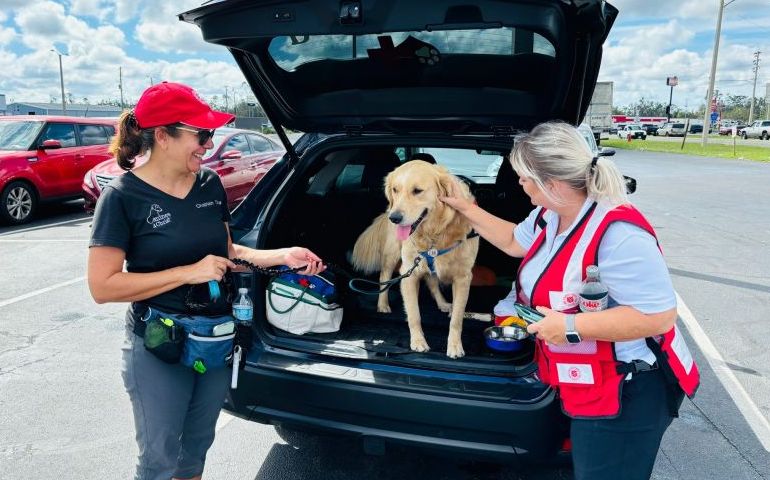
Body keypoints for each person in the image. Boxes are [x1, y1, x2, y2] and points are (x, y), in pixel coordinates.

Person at [87, 81, 325, 480]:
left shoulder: (209, 184)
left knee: (196, 449)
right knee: (159, 460)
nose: (208, 144)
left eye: (210, 134)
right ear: (162, 135)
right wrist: (187, 272)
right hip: (160, 341)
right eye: (201, 134)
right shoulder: (123, 196)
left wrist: (284, 256)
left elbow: (230, 252)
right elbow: (102, 286)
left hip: (213, 337)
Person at [440, 121, 699, 480]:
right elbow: (515, 241)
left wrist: (570, 326)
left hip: (629, 389)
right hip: (588, 382)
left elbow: (658, 317)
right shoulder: (552, 213)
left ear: (553, 183)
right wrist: (464, 208)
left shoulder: (618, 233)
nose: (519, 184)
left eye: (524, 177)